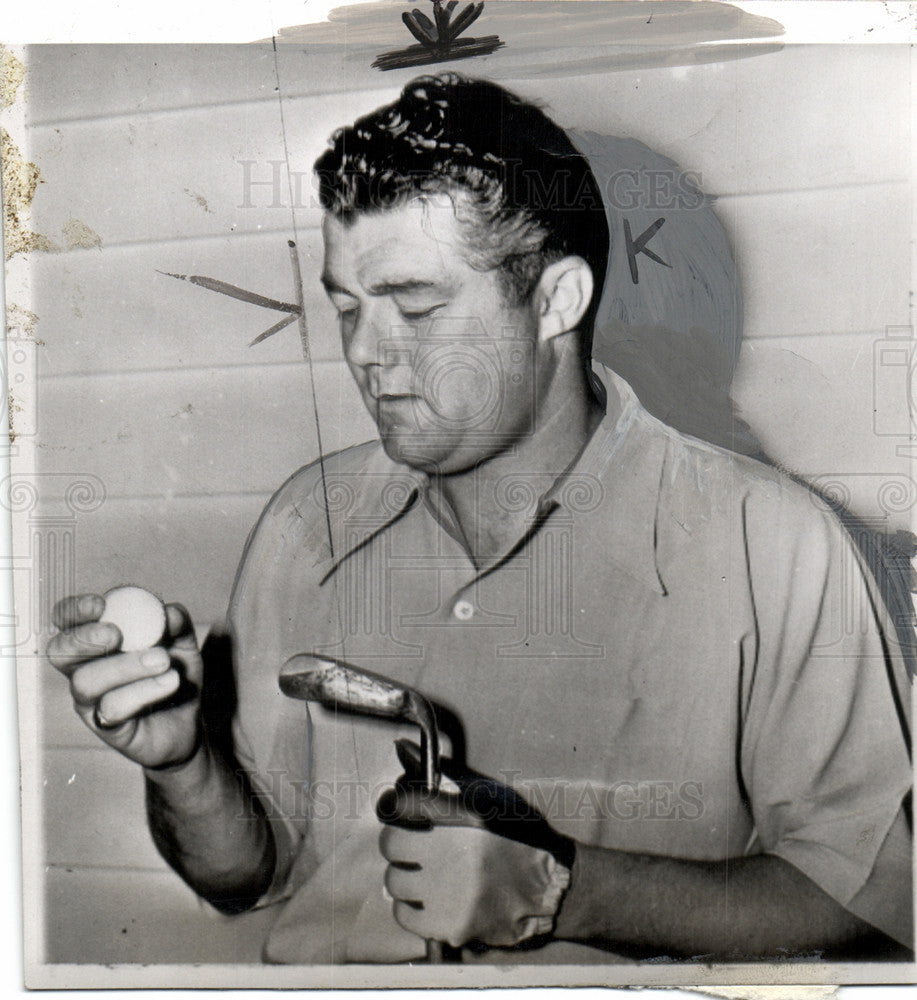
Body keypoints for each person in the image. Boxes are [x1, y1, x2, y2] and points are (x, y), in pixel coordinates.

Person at [48, 74, 912, 965]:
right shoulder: (308, 524)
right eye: (347, 305)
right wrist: (182, 762)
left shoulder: (771, 544)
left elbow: (872, 899)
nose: (364, 354)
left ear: (556, 302)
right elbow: (247, 872)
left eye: (417, 308)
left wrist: (560, 890)